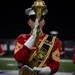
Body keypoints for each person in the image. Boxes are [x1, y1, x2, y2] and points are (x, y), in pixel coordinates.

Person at [14, 7, 62, 75]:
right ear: (29, 22)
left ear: (43, 22)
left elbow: (55, 65)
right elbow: (19, 58)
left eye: (39, 18)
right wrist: (33, 37)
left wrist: (43, 71)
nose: (37, 21)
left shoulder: (54, 41)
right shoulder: (22, 38)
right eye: (34, 19)